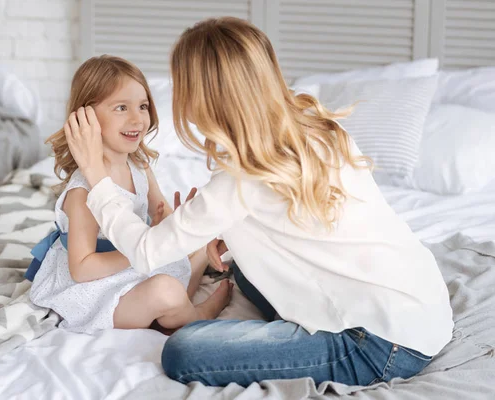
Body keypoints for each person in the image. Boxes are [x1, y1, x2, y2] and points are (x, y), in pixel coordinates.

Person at [63, 18, 453, 387]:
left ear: (203, 96)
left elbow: (147, 251)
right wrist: (234, 235)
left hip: (379, 344)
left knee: (183, 353)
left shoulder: (237, 181)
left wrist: (97, 177)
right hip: (423, 308)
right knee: (244, 271)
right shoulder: (318, 127)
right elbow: (307, 219)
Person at [27, 55, 233, 335]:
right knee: (166, 290)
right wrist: (142, 250)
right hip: (96, 288)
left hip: (133, 263)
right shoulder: (82, 192)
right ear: (85, 118)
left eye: (143, 106)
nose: (137, 118)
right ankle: (197, 314)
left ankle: (173, 306)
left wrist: (171, 220)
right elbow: (82, 269)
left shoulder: (138, 164)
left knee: (198, 239)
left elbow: (160, 209)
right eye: (121, 107)